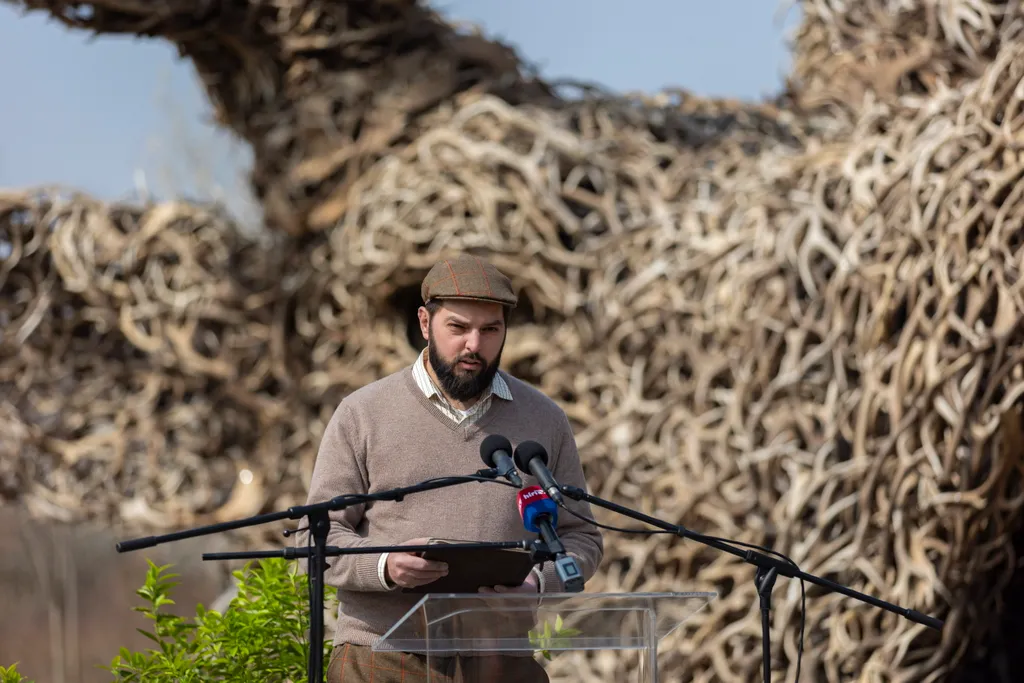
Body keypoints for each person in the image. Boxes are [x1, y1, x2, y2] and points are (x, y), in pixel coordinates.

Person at [301, 253, 604, 683]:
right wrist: (385, 566)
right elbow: (316, 538)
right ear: (425, 323)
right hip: (383, 658)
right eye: (458, 328)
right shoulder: (362, 413)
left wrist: (539, 586)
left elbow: (581, 538)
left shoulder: (544, 419)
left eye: (490, 330)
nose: (474, 345)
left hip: (500, 659)